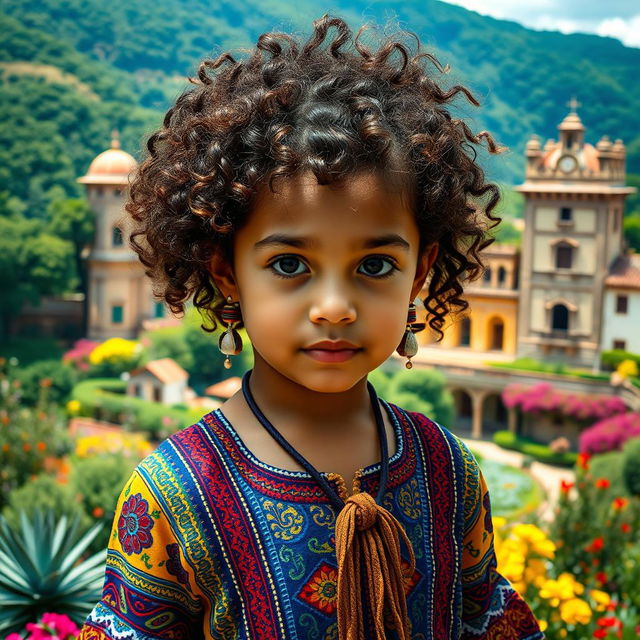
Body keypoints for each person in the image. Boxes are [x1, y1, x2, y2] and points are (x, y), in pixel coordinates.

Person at [78, 14, 544, 640]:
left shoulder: (446, 469)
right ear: (227, 275)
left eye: (375, 265)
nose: (334, 306)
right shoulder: (176, 493)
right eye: (290, 264)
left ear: (421, 270)